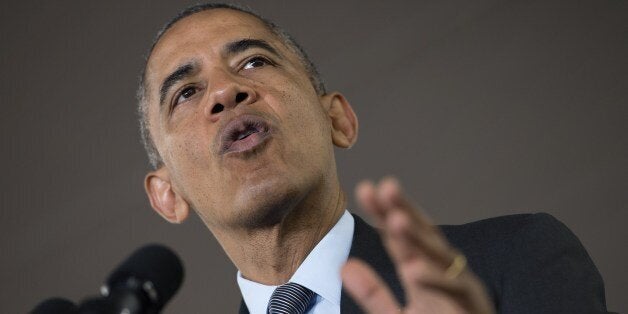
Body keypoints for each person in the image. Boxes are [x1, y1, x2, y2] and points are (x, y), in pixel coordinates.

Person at [138, 3, 611, 314]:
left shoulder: (517, 258)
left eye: (254, 62)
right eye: (185, 92)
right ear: (168, 195)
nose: (225, 90)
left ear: (337, 121)